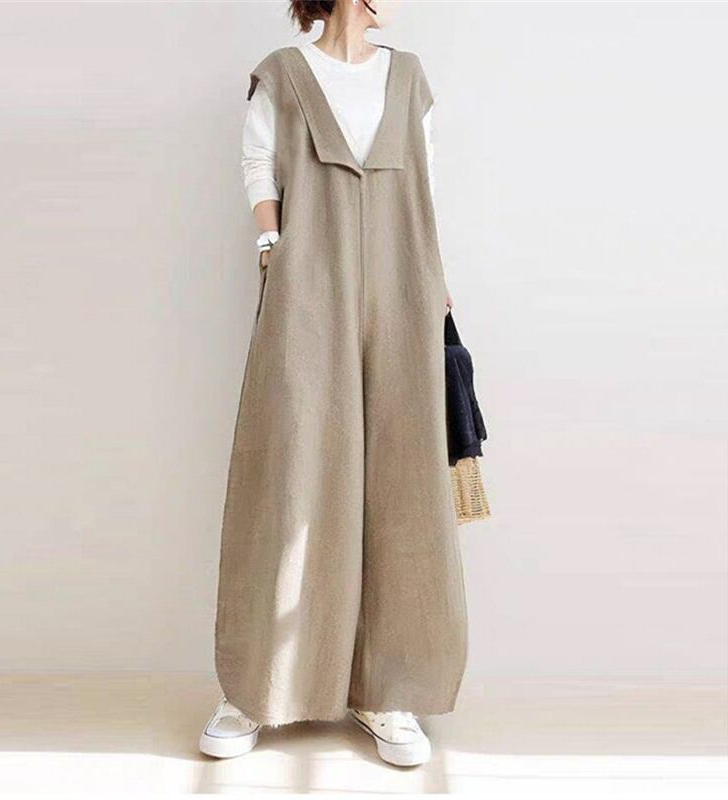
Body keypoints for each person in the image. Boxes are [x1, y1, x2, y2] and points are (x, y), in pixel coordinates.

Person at [200, 0, 467, 768]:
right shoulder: (283, 75)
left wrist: (436, 285)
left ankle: (386, 689)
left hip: (404, 287)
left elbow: (425, 188)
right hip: (308, 283)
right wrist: (272, 245)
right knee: (291, 474)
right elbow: (258, 165)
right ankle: (256, 687)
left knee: (399, 485)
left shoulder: (409, 78)